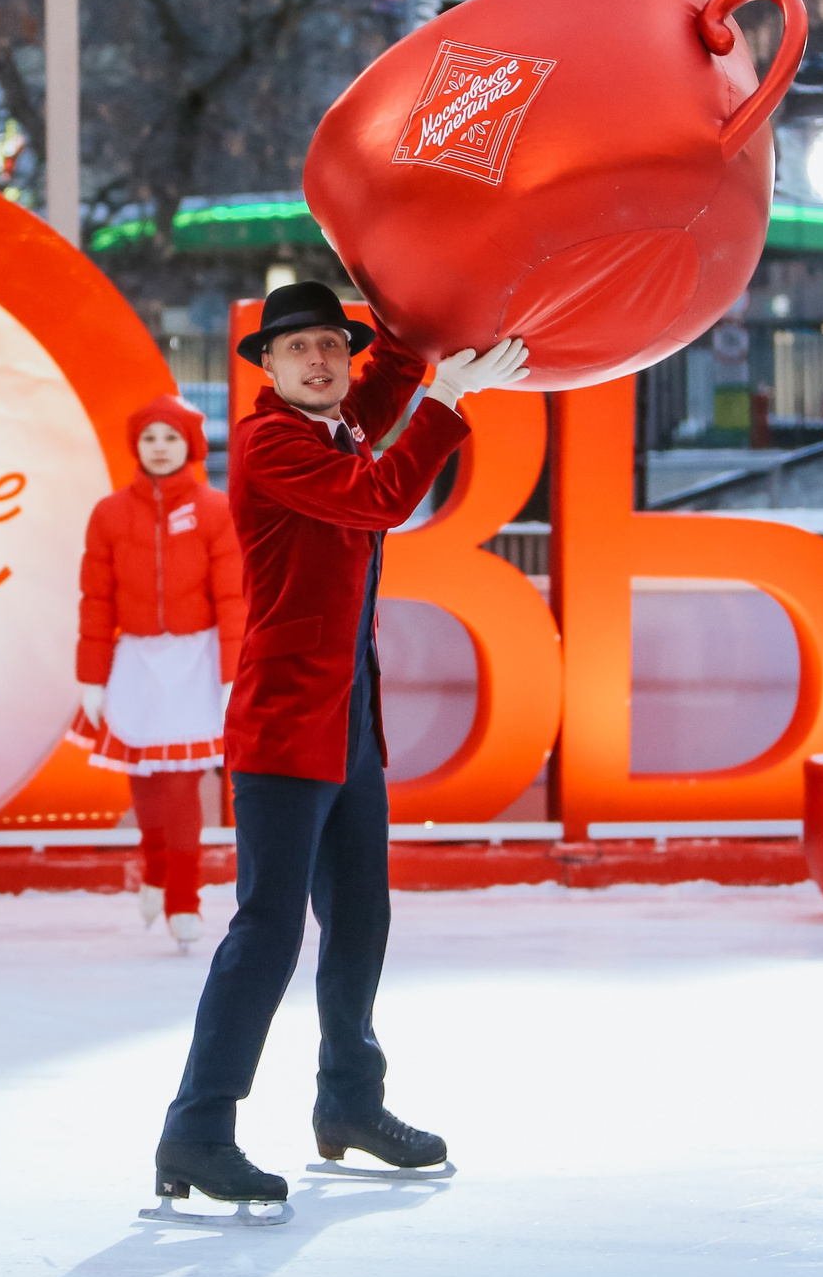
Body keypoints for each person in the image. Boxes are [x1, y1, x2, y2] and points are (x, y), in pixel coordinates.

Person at [152, 280, 528, 1215]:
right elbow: (383, 499)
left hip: (349, 721)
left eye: (331, 343)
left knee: (361, 918)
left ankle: (350, 1103)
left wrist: (421, 308)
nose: (319, 359)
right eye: (298, 349)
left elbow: (390, 373)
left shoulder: (337, 424)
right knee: (269, 931)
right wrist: (448, 402)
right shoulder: (273, 442)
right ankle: (197, 1127)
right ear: (267, 369)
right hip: (284, 724)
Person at [78, 394, 246, 949]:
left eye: (170, 437)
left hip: (194, 660)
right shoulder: (109, 514)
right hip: (136, 660)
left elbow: (231, 599)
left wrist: (230, 673)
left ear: (190, 446)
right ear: (137, 445)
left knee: (179, 785)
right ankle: (153, 868)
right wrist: (92, 676)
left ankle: (184, 897)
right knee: (144, 781)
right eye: (150, 437)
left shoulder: (216, 509)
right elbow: (96, 601)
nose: (159, 447)